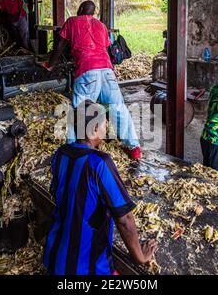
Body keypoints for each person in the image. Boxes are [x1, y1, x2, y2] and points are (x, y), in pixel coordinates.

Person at [43, 100, 157, 275]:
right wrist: (140, 257)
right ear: (94, 129)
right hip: (85, 268)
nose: (107, 126)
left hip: (53, 257)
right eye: (105, 123)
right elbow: (125, 219)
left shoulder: (60, 154)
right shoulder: (99, 162)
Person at [45, 0, 141, 160]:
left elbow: (59, 46)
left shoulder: (72, 21)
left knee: (79, 110)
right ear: (93, 12)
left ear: (80, 9)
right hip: (107, 71)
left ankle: (74, 148)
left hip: (87, 70)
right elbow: (106, 47)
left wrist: (50, 64)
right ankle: (133, 147)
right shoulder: (102, 26)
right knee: (118, 108)